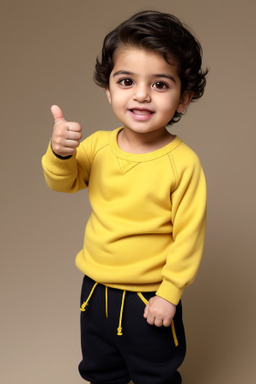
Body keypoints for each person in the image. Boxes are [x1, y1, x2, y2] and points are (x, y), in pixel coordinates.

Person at [42, 10, 207, 384]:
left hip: (150, 297)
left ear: (184, 98)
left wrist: (170, 292)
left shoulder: (183, 163)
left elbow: (189, 236)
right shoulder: (98, 145)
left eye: (161, 85)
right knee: (101, 371)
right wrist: (61, 154)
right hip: (95, 290)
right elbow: (62, 182)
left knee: (155, 374)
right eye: (127, 81)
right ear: (108, 89)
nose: (142, 95)